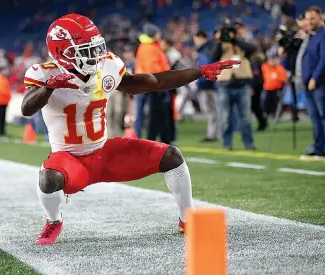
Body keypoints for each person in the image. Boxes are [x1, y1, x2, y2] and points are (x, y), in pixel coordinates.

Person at [21, 13, 240, 245]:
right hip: (70, 159)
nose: (94, 56)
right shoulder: (43, 73)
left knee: (171, 157)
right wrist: (48, 88)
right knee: (48, 178)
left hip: (105, 153)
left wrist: (199, 72)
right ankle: (53, 221)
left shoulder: (107, 65)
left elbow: (155, 82)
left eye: (95, 48)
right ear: (61, 53)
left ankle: (188, 218)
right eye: (84, 50)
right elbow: (27, 108)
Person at [302, 7, 325, 157]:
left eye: (313, 18)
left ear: (320, 18)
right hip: (309, 83)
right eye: (308, 18)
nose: (310, 21)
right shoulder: (311, 36)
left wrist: (315, 78)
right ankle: (319, 147)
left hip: (321, 83)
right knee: (315, 118)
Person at [134, 23, 171, 143]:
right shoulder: (149, 48)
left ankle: (142, 137)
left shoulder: (149, 46)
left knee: (146, 113)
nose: (159, 35)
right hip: (149, 84)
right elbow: (153, 68)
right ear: (153, 34)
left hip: (145, 83)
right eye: (157, 33)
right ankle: (141, 138)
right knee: (150, 113)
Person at [216, 41, 255, 150]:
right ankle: (227, 144)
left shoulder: (242, 47)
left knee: (246, 118)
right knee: (225, 117)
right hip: (225, 86)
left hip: (242, 86)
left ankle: (248, 144)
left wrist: (236, 39)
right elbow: (212, 56)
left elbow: (252, 48)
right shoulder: (221, 47)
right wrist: (220, 40)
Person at [193, 30, 219, 142]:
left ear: (201, 37)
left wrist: (202, 82)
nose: (195, 42)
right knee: (211, 110)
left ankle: (213, 135)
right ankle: (213, 134)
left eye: (196, 39)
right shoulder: (205, 49)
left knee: (212, 110)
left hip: (208, 85)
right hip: (208, 84)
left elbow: (206, 67)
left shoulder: (206, 50)